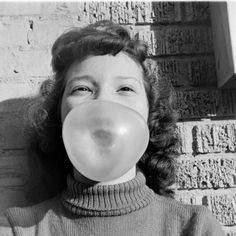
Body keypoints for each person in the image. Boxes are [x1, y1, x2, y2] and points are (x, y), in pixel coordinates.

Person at [0, 20, 225, 236]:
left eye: (125, 88)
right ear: (59, 114)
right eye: (82, 88)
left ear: (150, 114)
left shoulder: (194, 227)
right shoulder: (18, 228)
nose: (103, 102)